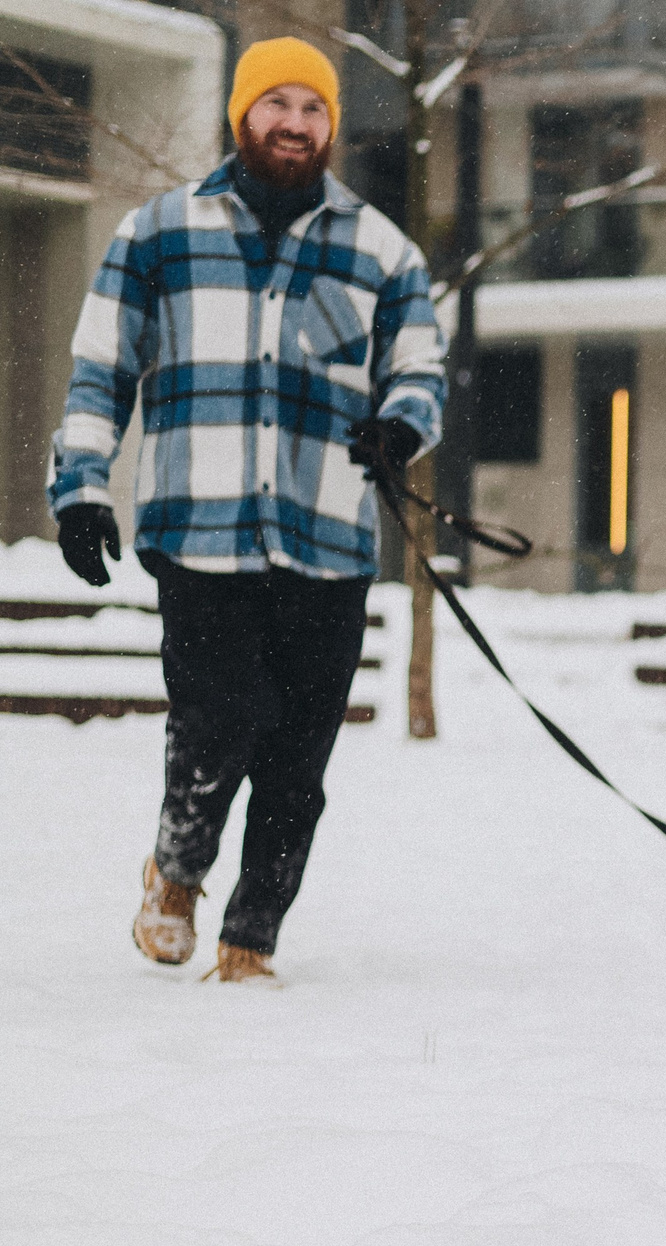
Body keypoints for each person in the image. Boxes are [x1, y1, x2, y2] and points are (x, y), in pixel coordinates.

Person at [48, 37, 444, 984]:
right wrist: (82, 487)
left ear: (332, 127)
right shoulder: (158, 234)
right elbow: (102, 370)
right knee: (221, 716)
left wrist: (398, 429)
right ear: (242, 115)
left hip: (328, 537)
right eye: (279, 105)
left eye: (314, 110)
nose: (296, 124)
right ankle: (177, 871)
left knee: (298, 760)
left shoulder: (381, 251)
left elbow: (419, 372)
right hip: (200, 527)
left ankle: (251, 941)